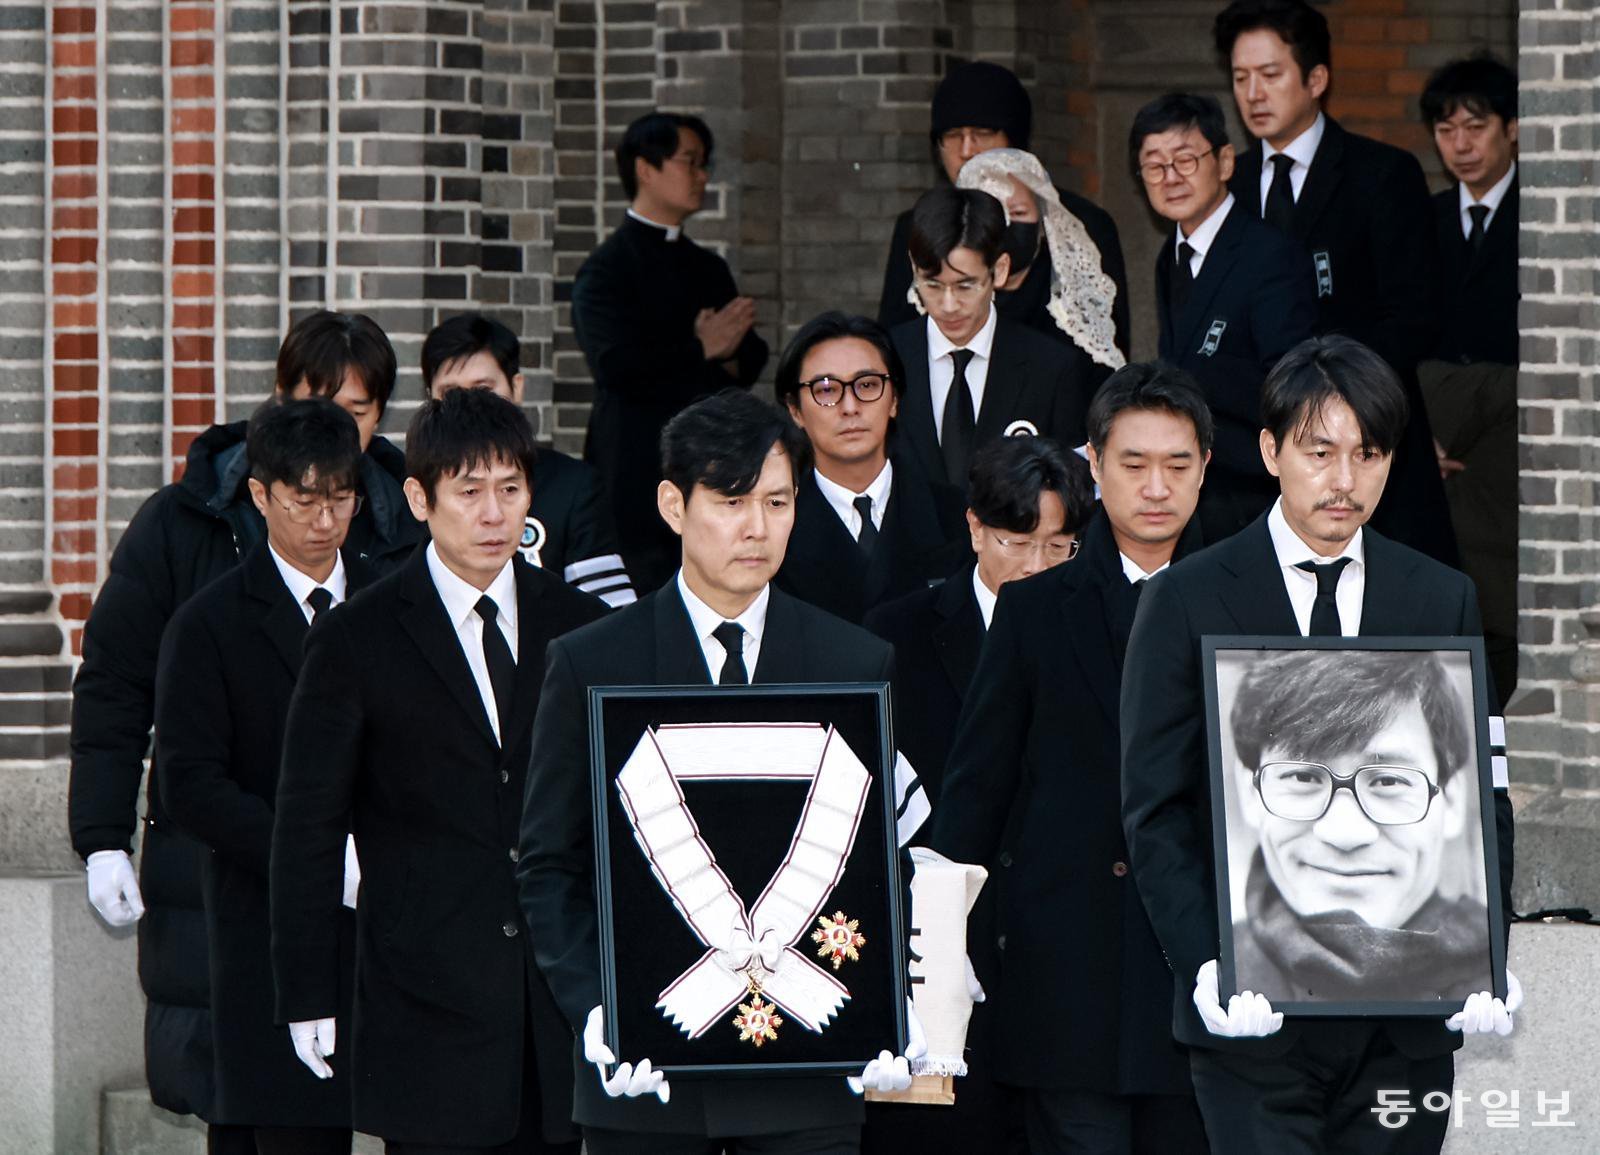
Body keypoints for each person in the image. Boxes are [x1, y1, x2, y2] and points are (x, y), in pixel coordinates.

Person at [1120, 335, 1518, 1154]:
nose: (1344, 479)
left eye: (1368, 454)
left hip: (1405, 1023)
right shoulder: (1188, 597)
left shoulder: (1439, 596)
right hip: (1255, 1022)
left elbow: (1482, 793)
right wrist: (1207, 963)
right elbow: (1155, 808)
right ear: (1270, 451)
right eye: (1320, 451)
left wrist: (1487, 952)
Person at [517, 388, 922, 1155]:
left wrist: (895, 997)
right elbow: (549, 864)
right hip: (647, 1077)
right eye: (732, 501)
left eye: (777, 501)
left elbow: (882, 860)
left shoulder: (853, 661)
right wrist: (598, 1007)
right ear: (674, 505)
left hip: (808, 1070)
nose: (757, 526)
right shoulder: (593, 661)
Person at [67, 310, 421, 1151]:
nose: (325, 513)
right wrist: (102, 834)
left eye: (357, 411)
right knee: (249, 1092)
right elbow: (118, 682)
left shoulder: (402, 529)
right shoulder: (187, 523)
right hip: (226, 871)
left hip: (376, 884)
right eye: (315, 402)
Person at [270, 388, 608, 1153]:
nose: (493, 514)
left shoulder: (582, 626)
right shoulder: (357, 637)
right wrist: (306, 990)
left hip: (558, 1004)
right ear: (419, 499)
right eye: (469, 491)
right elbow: (307, 828)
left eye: (511, 489)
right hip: (422, 999)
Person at [928, 363, 1213, 1155]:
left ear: (1205, 468)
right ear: (1094, 463)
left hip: (1202, 978)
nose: (1155, 487)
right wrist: (941, 954)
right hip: (1065, 983)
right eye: (1133, 462)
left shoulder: (1243, 603)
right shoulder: (1032, 610)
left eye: (1177, 464)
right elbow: (975, 795)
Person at [155, 399, 372, 1155]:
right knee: (280, 1127)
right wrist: (310, 854)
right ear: (259, 494)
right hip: (265, 922)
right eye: (303, 500)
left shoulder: (391, 603)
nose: (325, 520)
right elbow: (189, 784)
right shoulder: (209, 624)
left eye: (340, 497)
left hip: (389, 919)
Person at [1216, 0, 1457, 567]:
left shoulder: (1382, 174)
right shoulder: (1230, 184)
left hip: (1367, 436)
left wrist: (1327, 388)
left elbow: (1416, 315)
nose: (1253, 94)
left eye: (1270, 74)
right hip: (1256, 452)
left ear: (1316, 79)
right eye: (1240, 78)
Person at [1225, 649, 1491, 1004]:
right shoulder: (1210, 973)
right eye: (1303, 777)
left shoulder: (1506, 973)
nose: (1344, 834)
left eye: (1388, 781)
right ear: (1250, 793)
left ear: (1452, 800)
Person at [572, 111, 768, 593]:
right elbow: (614, 366)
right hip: (633, 466)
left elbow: (750, 357)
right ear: (646, 168)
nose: (702, 176)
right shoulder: (606, 270)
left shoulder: (707, 266)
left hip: (708, 461)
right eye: (690, 162)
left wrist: (724, 351)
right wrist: (702, 347)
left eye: (705, 164)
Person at [865, 433, 1093, 804]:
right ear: (976, 528)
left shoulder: (1097, 629)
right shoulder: (897, 634)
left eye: (1057, 547)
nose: (1036, 566)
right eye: (1018, 543)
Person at [1132, 91, 1315, 541]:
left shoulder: (1269, 254)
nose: (1170, 177)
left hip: (1251, 495)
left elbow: (1291, 385)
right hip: (1193, 490)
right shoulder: (1170, 256)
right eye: (1154, 166)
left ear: (1225, 161)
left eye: (1185, 160)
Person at [877, 61, 1130, 357]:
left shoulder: (1083, 224)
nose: (967, 150)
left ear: (1014, 141)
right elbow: (894, 343)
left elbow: (1109, 347)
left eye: (982, 133)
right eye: (953, 135)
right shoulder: (915, 225)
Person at [1419, 54, 1520, 700]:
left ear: (1512, 128)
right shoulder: (1421, 218)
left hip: (1516, 443)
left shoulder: (1551, 218)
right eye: (1446, 130)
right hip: (1433, 435)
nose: (1460, 145)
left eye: (1475, 127)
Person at [422, 311, 636, 607]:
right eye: (452, 393)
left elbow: (611, 616)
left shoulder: (573, 487)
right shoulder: (413, 488)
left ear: (517, 387)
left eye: (483, 390)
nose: (471, 406)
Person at [889, 187, 1094, 490]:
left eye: (965, 285)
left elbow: (1071, 488)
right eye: (932, 285)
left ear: (999, 270)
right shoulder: (886, 358)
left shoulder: (1052, 368)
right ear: (913, 269)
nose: (949, 305)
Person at [773, 311, 968, 625]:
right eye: (826, 389)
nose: (850, 407)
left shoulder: (956, 514)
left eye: (867, 385)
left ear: (894, 400)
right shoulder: (774, 527)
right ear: (795, 410)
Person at [953, 148, 1124, 379]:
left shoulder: (1069, 305)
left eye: (1018, 213)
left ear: (1043, 222)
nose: (1006, 226)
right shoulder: (949, 301)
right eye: (994, 214)